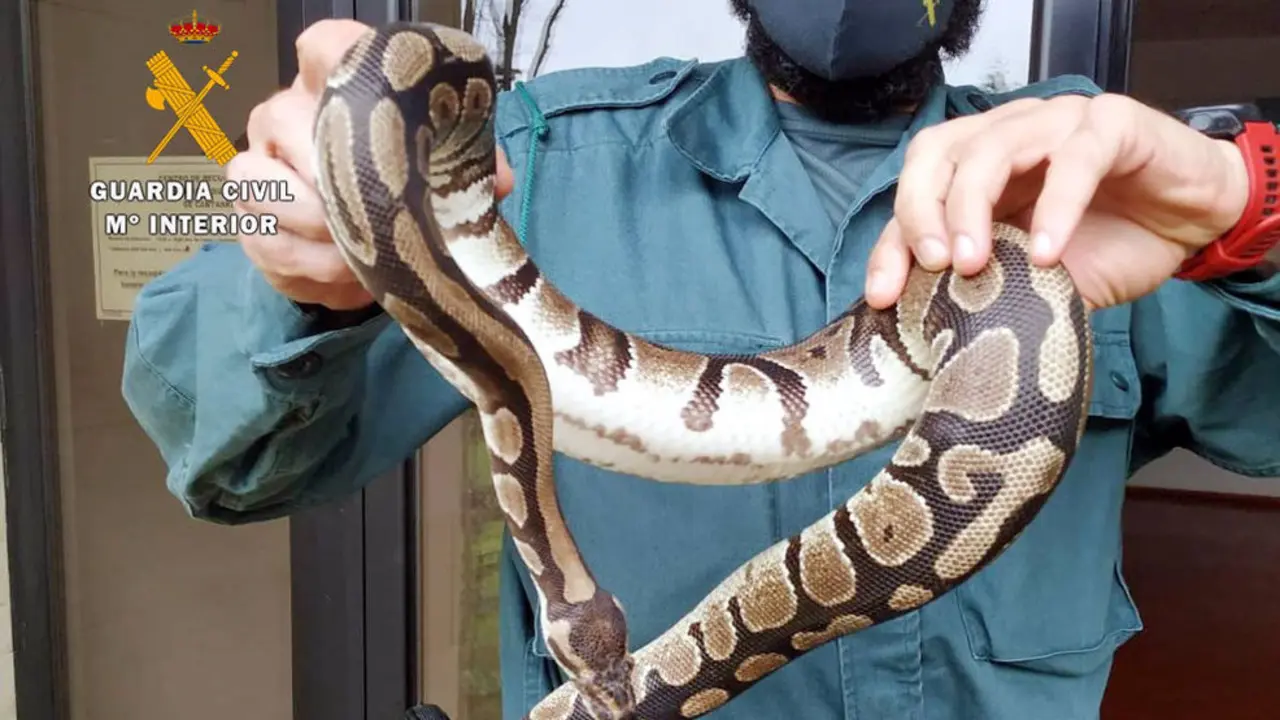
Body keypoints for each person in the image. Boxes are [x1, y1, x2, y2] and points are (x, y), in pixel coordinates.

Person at [122, 0, 1280, 717]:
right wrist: (297, 275)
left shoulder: (1094, 183)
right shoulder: (535, 159)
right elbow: (224, 456)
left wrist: (1243, 203)